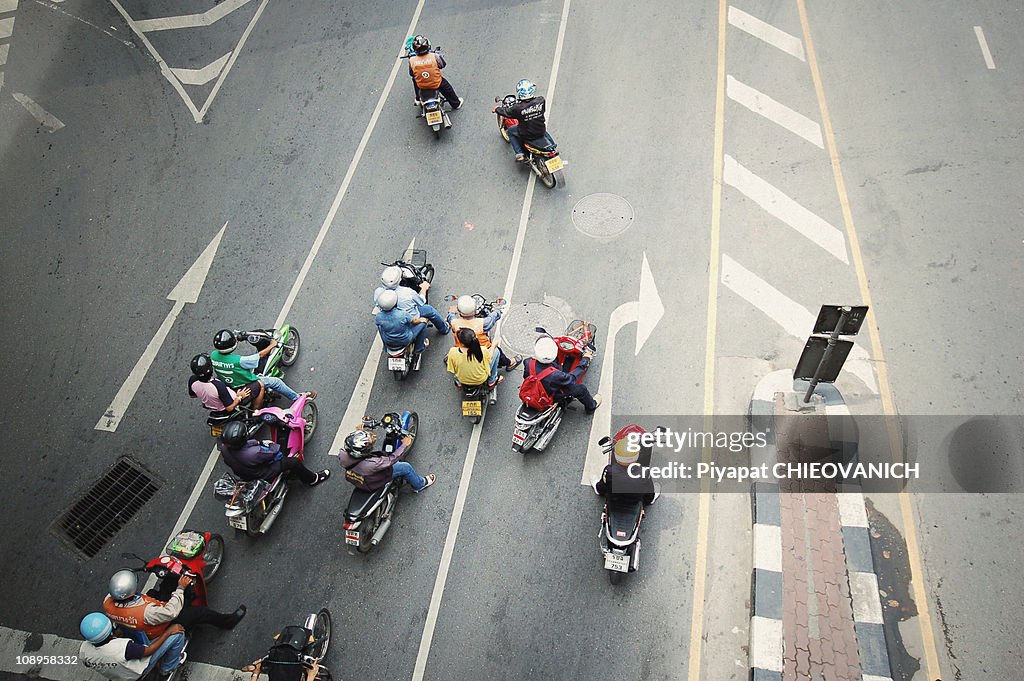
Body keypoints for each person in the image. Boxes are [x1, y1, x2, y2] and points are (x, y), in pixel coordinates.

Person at [103, 570, 245, 643]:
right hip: (161, 628)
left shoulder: (107, 602)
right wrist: (180, 588)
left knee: (159, 589)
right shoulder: (146, 612)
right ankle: (228, 622)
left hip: (142, 624)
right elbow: (171, 612)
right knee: (200, 613)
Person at [210, 330, 314, 404]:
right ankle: (297, 398)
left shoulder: (213, 355)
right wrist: (272, 345)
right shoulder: (239, 361)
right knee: (275, 382)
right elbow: (259, 356)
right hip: (244, 384)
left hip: (230, 383)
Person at [79, 611, 185, 681]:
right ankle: (166, 669)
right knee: (178, 635)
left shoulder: (84, 650)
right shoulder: (123, 648)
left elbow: (88, 664)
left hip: (119, 676)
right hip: (138, 672)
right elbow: (149, 650)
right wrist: (169, 631)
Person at [218, 421, 330, 486]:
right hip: (262, 473)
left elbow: (248, 444)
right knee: (293, 462)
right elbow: (273, 452)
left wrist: (258, 442)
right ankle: (312, 479)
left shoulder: (224, 448)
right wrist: (272, 445)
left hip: (243, 473)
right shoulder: (255, 453)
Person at [338, 426, 435, 493]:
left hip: (357, 477)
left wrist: (360, 432)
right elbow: (391, 459)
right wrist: (404, 445)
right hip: (373, 482)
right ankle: (420, 484)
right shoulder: (373, 464)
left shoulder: (343, 453)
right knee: (406, 467)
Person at [523, 337, 602, 413]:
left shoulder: (528, 362)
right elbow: (572, 379)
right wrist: (585, 360)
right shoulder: (556, 375)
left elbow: (526, 376)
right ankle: (591, 406)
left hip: (533, 389)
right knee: (581, 389)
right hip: (552, 395)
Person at [446, 294, 521, 372]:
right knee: (497, 351)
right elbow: (494, 316)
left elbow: (450, 316)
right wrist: (496, 311)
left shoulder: (454, 322)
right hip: (482, 349)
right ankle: (509, 363)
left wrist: (451, 312)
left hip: (461, 348)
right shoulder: (483, 323)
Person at [491, 79, 555, 163]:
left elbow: (506, 112)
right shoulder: (541, 100)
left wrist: (496, 109)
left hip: (526, 134)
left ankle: (520, 153)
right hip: (540, 130)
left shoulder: (517, 108)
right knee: (543, 129)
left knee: (510, 131)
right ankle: (553, 146)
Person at [374, 265, 449, 335]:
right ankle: (444, 328)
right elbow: (421, 301)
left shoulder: (378, 292)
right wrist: (424, 289)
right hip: (411, 319)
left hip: (390, 323)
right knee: (430, 310)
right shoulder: (408, 293)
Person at [593, 425, 657, 505]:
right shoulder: (644, 473)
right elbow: (649, 495)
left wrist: (599, 489)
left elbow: (601, 487)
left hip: (614, 499)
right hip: (635, 501)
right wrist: (650, 499)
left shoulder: (609, 470)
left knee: (600, 485)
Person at [188, 353, 262, 412]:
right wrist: (239, 397)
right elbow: (229, 408)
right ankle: (255, 412)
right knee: (259, 384)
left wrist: (208, 395)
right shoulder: (218, 386)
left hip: (210, 405)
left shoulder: (192, 380)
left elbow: (193, 395)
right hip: (229, 404)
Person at [407, 35, 463, 109]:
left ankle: (418, 99)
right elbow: (443, 65)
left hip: (422, 86)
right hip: (436, 83)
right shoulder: (434, 56)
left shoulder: (412, 60)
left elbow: (411, 74)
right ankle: (456, 104)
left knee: (415, 79)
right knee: (447, 88)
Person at [375, 289, 429, 355]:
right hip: (405, 340)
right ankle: (419, 348)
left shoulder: (379, 317)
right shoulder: (402, 314)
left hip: (389, 341)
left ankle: (386, 348)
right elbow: (414, 321)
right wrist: (422, 320)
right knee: (423, 324)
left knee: (380, 328)